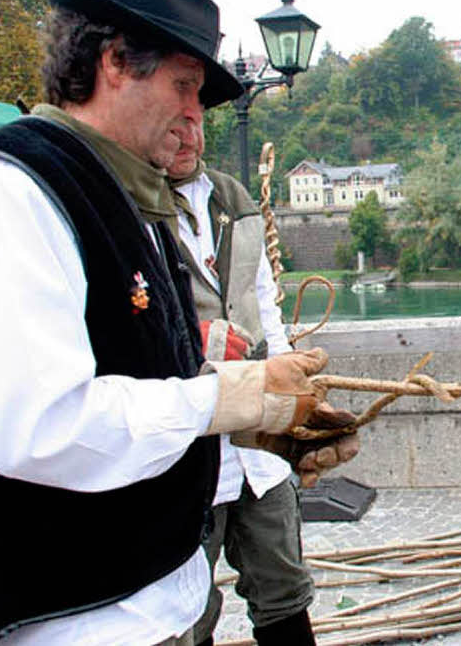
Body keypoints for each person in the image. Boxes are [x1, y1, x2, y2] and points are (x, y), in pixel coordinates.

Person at [0, 0, 357, 643]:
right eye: (184, 87)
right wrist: (223, 402)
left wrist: (261, 427)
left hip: (157, 598)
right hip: (86, 619)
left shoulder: (129, 195)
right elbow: (41, 428)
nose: (195, 115)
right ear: (116, 63)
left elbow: (149, 370)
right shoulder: (16, 192)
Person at [166, 120, 317, 645]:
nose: (187, 136)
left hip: (257, 443)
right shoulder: (128, 209)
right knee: (185, 606)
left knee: (284, 587)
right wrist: (196, 340)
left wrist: (294, 399)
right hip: (186, 444)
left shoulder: (233, 198)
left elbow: (264, 303)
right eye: (173, 123)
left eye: (195, 123)